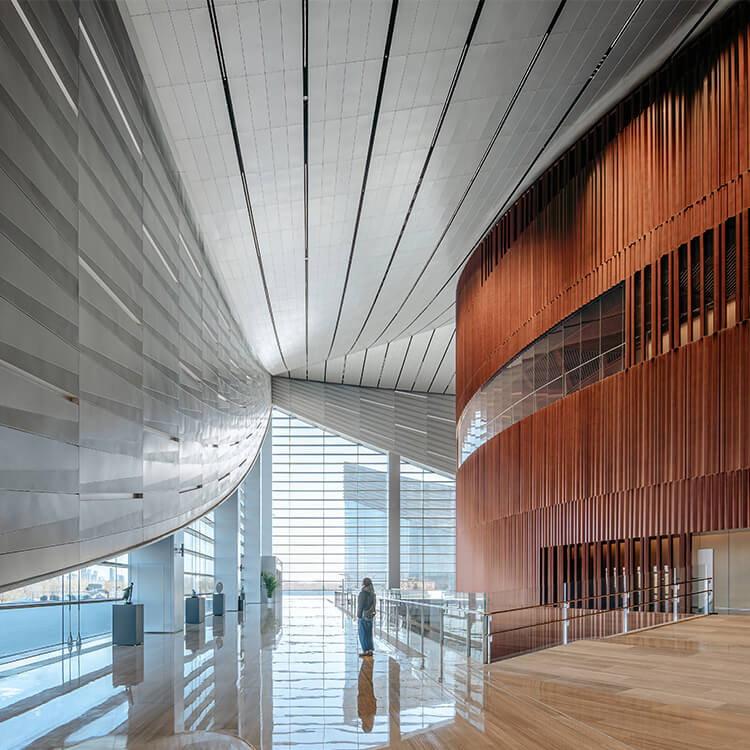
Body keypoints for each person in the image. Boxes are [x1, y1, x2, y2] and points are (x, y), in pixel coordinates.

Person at [357, 577, 376, 657]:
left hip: (364, 616)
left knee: (363, 634)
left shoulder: (363, 593)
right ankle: (370, 650)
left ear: (364, 583)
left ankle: (365, 651)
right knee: (369, 634)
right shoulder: (372, 593)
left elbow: (360, 606)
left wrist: (358, 616)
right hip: (370, 615)